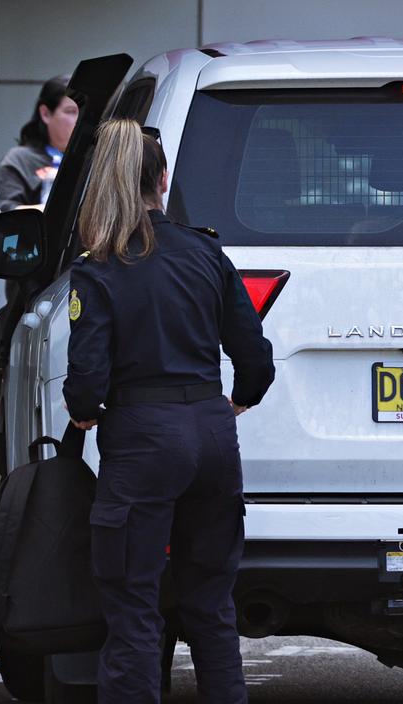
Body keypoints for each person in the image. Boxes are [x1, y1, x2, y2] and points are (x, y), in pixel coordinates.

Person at [63, 119, 274, 703]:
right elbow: (253, 354)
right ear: (163, 179)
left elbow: (87, 377)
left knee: (133, 610)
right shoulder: (206, 252)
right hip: (211, 434)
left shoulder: (99, 265)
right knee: (211, 606)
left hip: (141, 439)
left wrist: (83, 412)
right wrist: (240, 399)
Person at [0, 75, 77, 211]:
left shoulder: (94, 160)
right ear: (45, 114)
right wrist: (52, 212)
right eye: (71, 111)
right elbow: (2, 211)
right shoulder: (20, 160)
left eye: (83, 113)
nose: (79, 120)